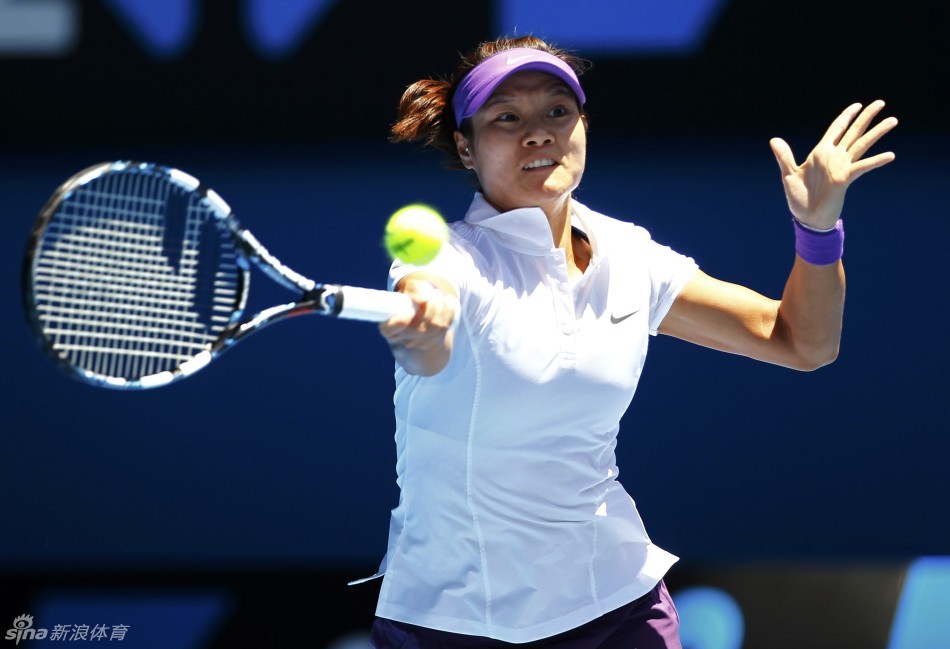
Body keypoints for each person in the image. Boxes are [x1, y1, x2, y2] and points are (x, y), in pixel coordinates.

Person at [367, 34, 897, 648]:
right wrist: (423, 329)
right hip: (457, 618)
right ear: (466, 146)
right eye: (505, 117)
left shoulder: (630, 256)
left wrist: (817, 228)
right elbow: (428, 325)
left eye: (557, 112)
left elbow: (803, 342)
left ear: (583, 126)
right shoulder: (452, 258)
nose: (537, 132)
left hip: (616, 603)